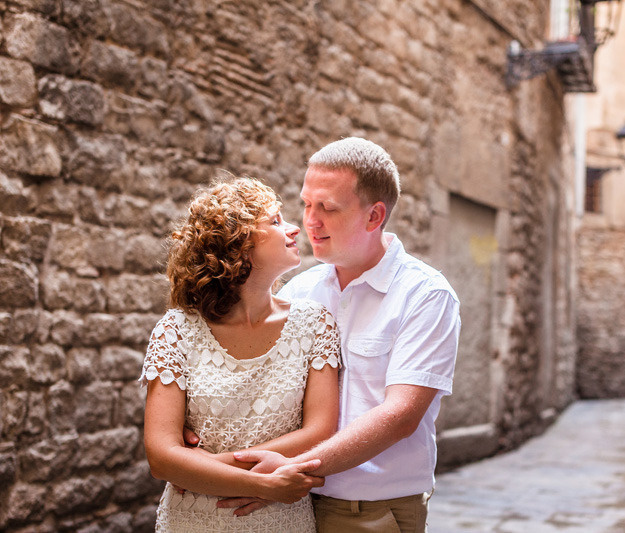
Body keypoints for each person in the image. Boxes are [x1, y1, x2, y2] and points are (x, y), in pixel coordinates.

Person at [222, 137, 461, 532]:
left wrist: (291, 471)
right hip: (286, 506)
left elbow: (400, 416)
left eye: (328, 208)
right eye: (307, 204)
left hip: (368, 511)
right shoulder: (298, 290)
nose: (310, 221)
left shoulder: (425, 295)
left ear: (374, 215)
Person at [140, 176, 341, 532]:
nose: (294, 228)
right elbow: (161, 457)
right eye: (275, 221)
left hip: (281, 520)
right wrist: (263, 485)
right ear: (238, 242)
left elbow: (319, 430)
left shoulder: (314, 324)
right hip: (193, 519)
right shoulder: (177, 330)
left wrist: (200, 469)